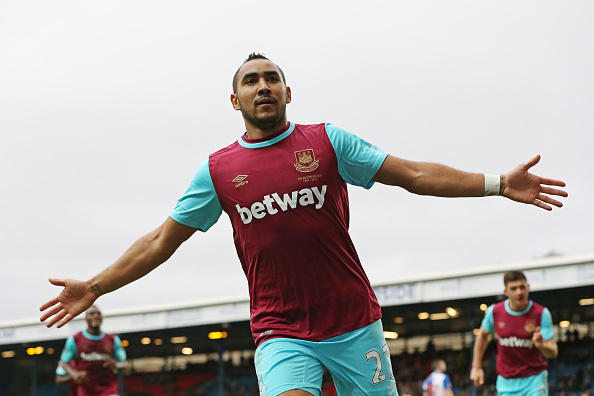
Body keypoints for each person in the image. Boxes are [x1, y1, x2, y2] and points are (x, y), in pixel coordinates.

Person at [40, 53, 567, 396]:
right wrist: (96, 284)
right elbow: (161, 240)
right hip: (280, 328)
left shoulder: (327, 142)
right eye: (251, 81)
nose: (263, 86)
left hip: (353, 320)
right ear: (235, 100)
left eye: (272, 78)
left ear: (288, 92)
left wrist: (498, 182)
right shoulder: (218, 170)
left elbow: (411, 174)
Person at [470, 270, 558, 395]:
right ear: (506, 292)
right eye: (514, 288)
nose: (519, 292)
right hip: (506, 383)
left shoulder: (541, 313)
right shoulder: (494, 312)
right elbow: (483, 336)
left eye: (522, 287)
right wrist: (476, 367)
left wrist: (542, 344)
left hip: (534, 380)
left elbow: (553, 352)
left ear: (528, 288)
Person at [58, 305, 127, 396]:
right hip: (86, 391)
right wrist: (74, 374)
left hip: (109, 389)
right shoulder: (75, 339)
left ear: (102, 318)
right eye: (91, 313)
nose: (96, 316)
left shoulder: (113, 339)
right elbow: (64, 362)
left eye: (98, 313)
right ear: (86, 319)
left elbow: (124, 363)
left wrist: (116, 365)